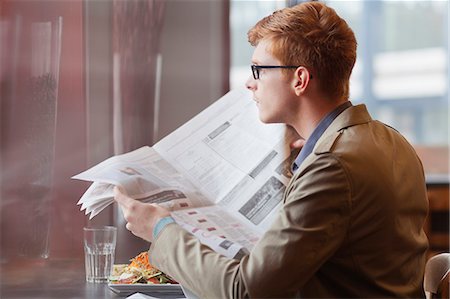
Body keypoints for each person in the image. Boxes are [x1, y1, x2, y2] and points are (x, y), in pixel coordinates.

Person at [114, 1, 429, 297]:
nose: (251, 84)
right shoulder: (392, 141)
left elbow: (247, 291)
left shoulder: (332, 165)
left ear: (300, 79)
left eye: (259, 70)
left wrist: (161, 229)